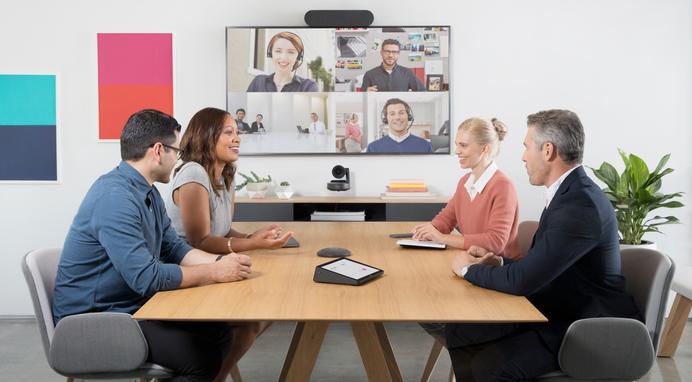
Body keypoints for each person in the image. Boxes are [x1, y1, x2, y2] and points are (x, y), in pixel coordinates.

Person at [52, 109, 253, 381]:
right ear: (158, 150)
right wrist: (215, 273)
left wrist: (221, 263)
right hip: (95, 322)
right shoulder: (115, 198)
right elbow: (145, 277)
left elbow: (174, 249)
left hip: (129, 308)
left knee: (219, 331)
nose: (178, 160)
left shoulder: (146, 192)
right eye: (177, 152)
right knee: (200, 358)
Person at [445, 109, 641, 380]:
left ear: (547, 150)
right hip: (559, 306)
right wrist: (499, 261)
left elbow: (524, 281)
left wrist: (468, 270)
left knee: (489, 365)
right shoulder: (567, 193)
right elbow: (542, 264)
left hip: (585, 327)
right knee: (459, 331)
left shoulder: (579, 205)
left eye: (526, 147)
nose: (523, 157)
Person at [164, 107, 291, 379]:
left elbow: (221, 230)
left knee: (262, 315)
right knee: (253, 320)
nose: (237, 138)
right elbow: (201, 240)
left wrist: (253, 237)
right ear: (207, 136)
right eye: (229, 132)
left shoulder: (225, 174)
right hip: (187, 271)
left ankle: (211, 372)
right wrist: (253, 244)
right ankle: (213, 376)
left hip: (211, 264)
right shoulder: (193, 173)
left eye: (238, 132)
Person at [411, 117, 520, 259]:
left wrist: (441, 238)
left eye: (463, 145)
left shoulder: (503, 186)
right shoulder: (465, 182)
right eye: (457, 145)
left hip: (500, 268)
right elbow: (446, 219)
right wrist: (429, 230)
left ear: (485, 148)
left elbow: (495, 242)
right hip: (473, 260)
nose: (457, 151)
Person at [247, 31, 318, 92]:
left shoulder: (308, 87)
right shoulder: (258, 82)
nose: (283, 58)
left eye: (290, 52)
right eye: (278, 51)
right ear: (271, 54)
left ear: (298, 57)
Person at [366, 98, 432, 153]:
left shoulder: (425, 145)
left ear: (408, 116)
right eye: (392, 114)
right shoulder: (373, 148)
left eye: (401, 113)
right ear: (386, 119)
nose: (397, 117)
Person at [360, 39, 425, 92]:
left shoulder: (407, 73)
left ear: (398, 54)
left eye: (394, 52)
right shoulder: (369, 74)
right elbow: (361, 100)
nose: (390, 55)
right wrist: (365, 94)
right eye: (387, 51)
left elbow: (422, 92)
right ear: (381, 53)